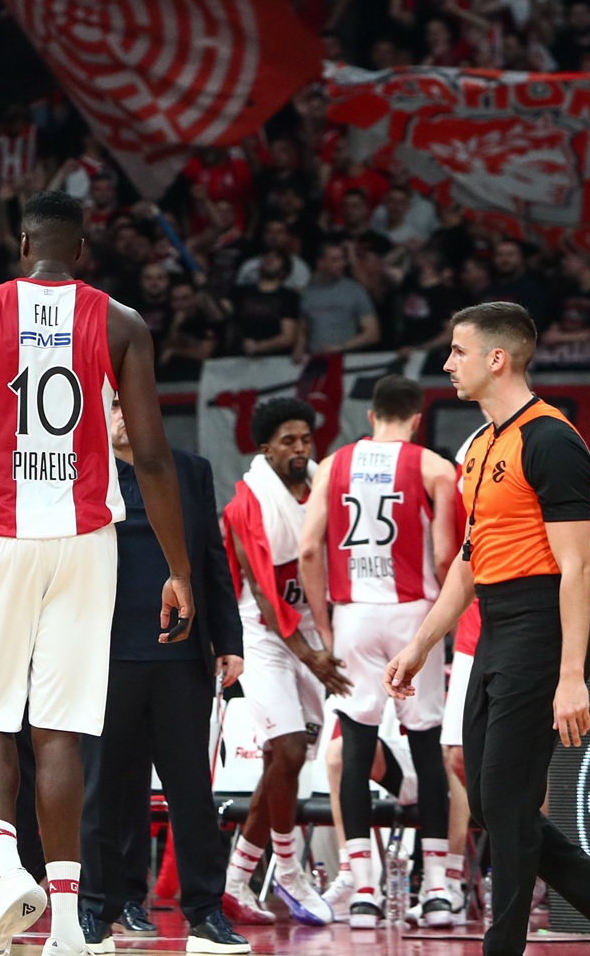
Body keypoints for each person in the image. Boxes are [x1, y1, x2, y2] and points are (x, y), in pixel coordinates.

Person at [0, 191, 195, 956]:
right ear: (83, 249)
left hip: (2, 533)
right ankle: (64, 923)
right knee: (58, 730)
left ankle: (5, 871)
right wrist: (178, 566)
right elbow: (153, 455)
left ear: (24, 243)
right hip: (89, 540)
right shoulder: (121, 322)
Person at [383, 301, 590, 956]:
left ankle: (504, 945)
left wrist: (571, 675)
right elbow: (468, 561)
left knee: (508, 799)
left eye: (458, 351)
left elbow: (577, 568)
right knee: (493, 802)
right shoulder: (482, 444)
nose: (447, 363)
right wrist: (421, 644)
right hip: (495, 623)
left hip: (543, 624)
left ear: (497, 358)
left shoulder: (552, 439)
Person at [79, 397, 251, 953]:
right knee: (102, 791)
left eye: (130, 406)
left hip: (181, 658)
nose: (122, 416)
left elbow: (211, 557)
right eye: (113, 407)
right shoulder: (82, 470)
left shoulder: (191, 470)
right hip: (105, 655)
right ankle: (96, 909)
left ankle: (205, 913)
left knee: (191, 791)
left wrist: (229, 640)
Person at [298, 374, 459, 929]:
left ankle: (364, 891)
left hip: (354, 616)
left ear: (370, 416)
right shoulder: (436, 468)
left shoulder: (333, 465)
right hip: (415, 613)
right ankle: (436, 889)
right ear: (417, 418)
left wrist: (326, 628)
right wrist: (442, 624)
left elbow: (308, 549)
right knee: (428, 745)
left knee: (356, 746)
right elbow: (446, 554)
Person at [218, 396, 347, 927]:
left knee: (282, 764)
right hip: (265, 634)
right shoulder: (247, 502)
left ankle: (236, 881)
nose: (299, 449)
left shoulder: (324, 489)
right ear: (265, 447)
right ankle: (290, 871)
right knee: (289, 750)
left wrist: (327, 641)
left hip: (312, 628)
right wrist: (311, 657)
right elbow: (265, 595)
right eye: (287, 441)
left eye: (305, 440)